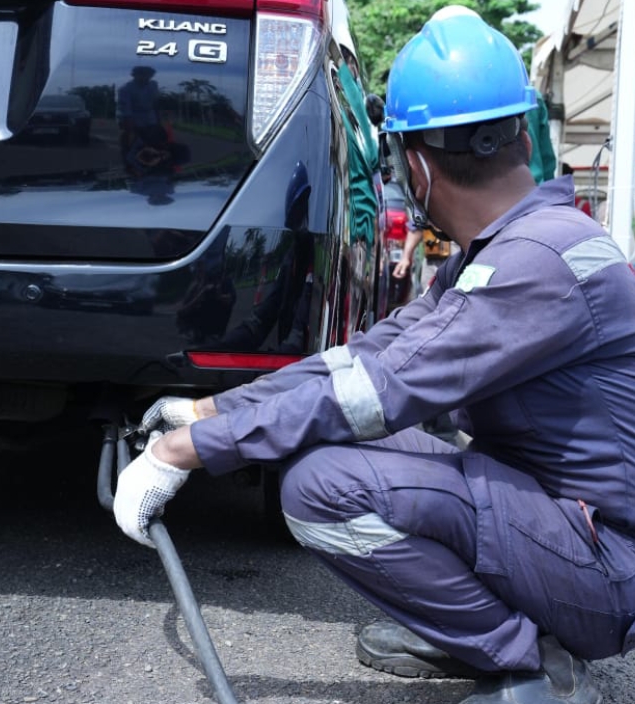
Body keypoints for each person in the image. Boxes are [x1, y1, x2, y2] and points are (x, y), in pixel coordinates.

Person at [113, 7, 635, 704]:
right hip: (566, 525)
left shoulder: (538, 265)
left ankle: (532, 662)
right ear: (516, 131)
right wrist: (209, 410)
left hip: (605, 566)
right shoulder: (517, 249)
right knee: (350, 450)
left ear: (414, 164)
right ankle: (472, 628)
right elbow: (364, 359)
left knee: (321, 486)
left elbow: (376, 392)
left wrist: (186, 452)